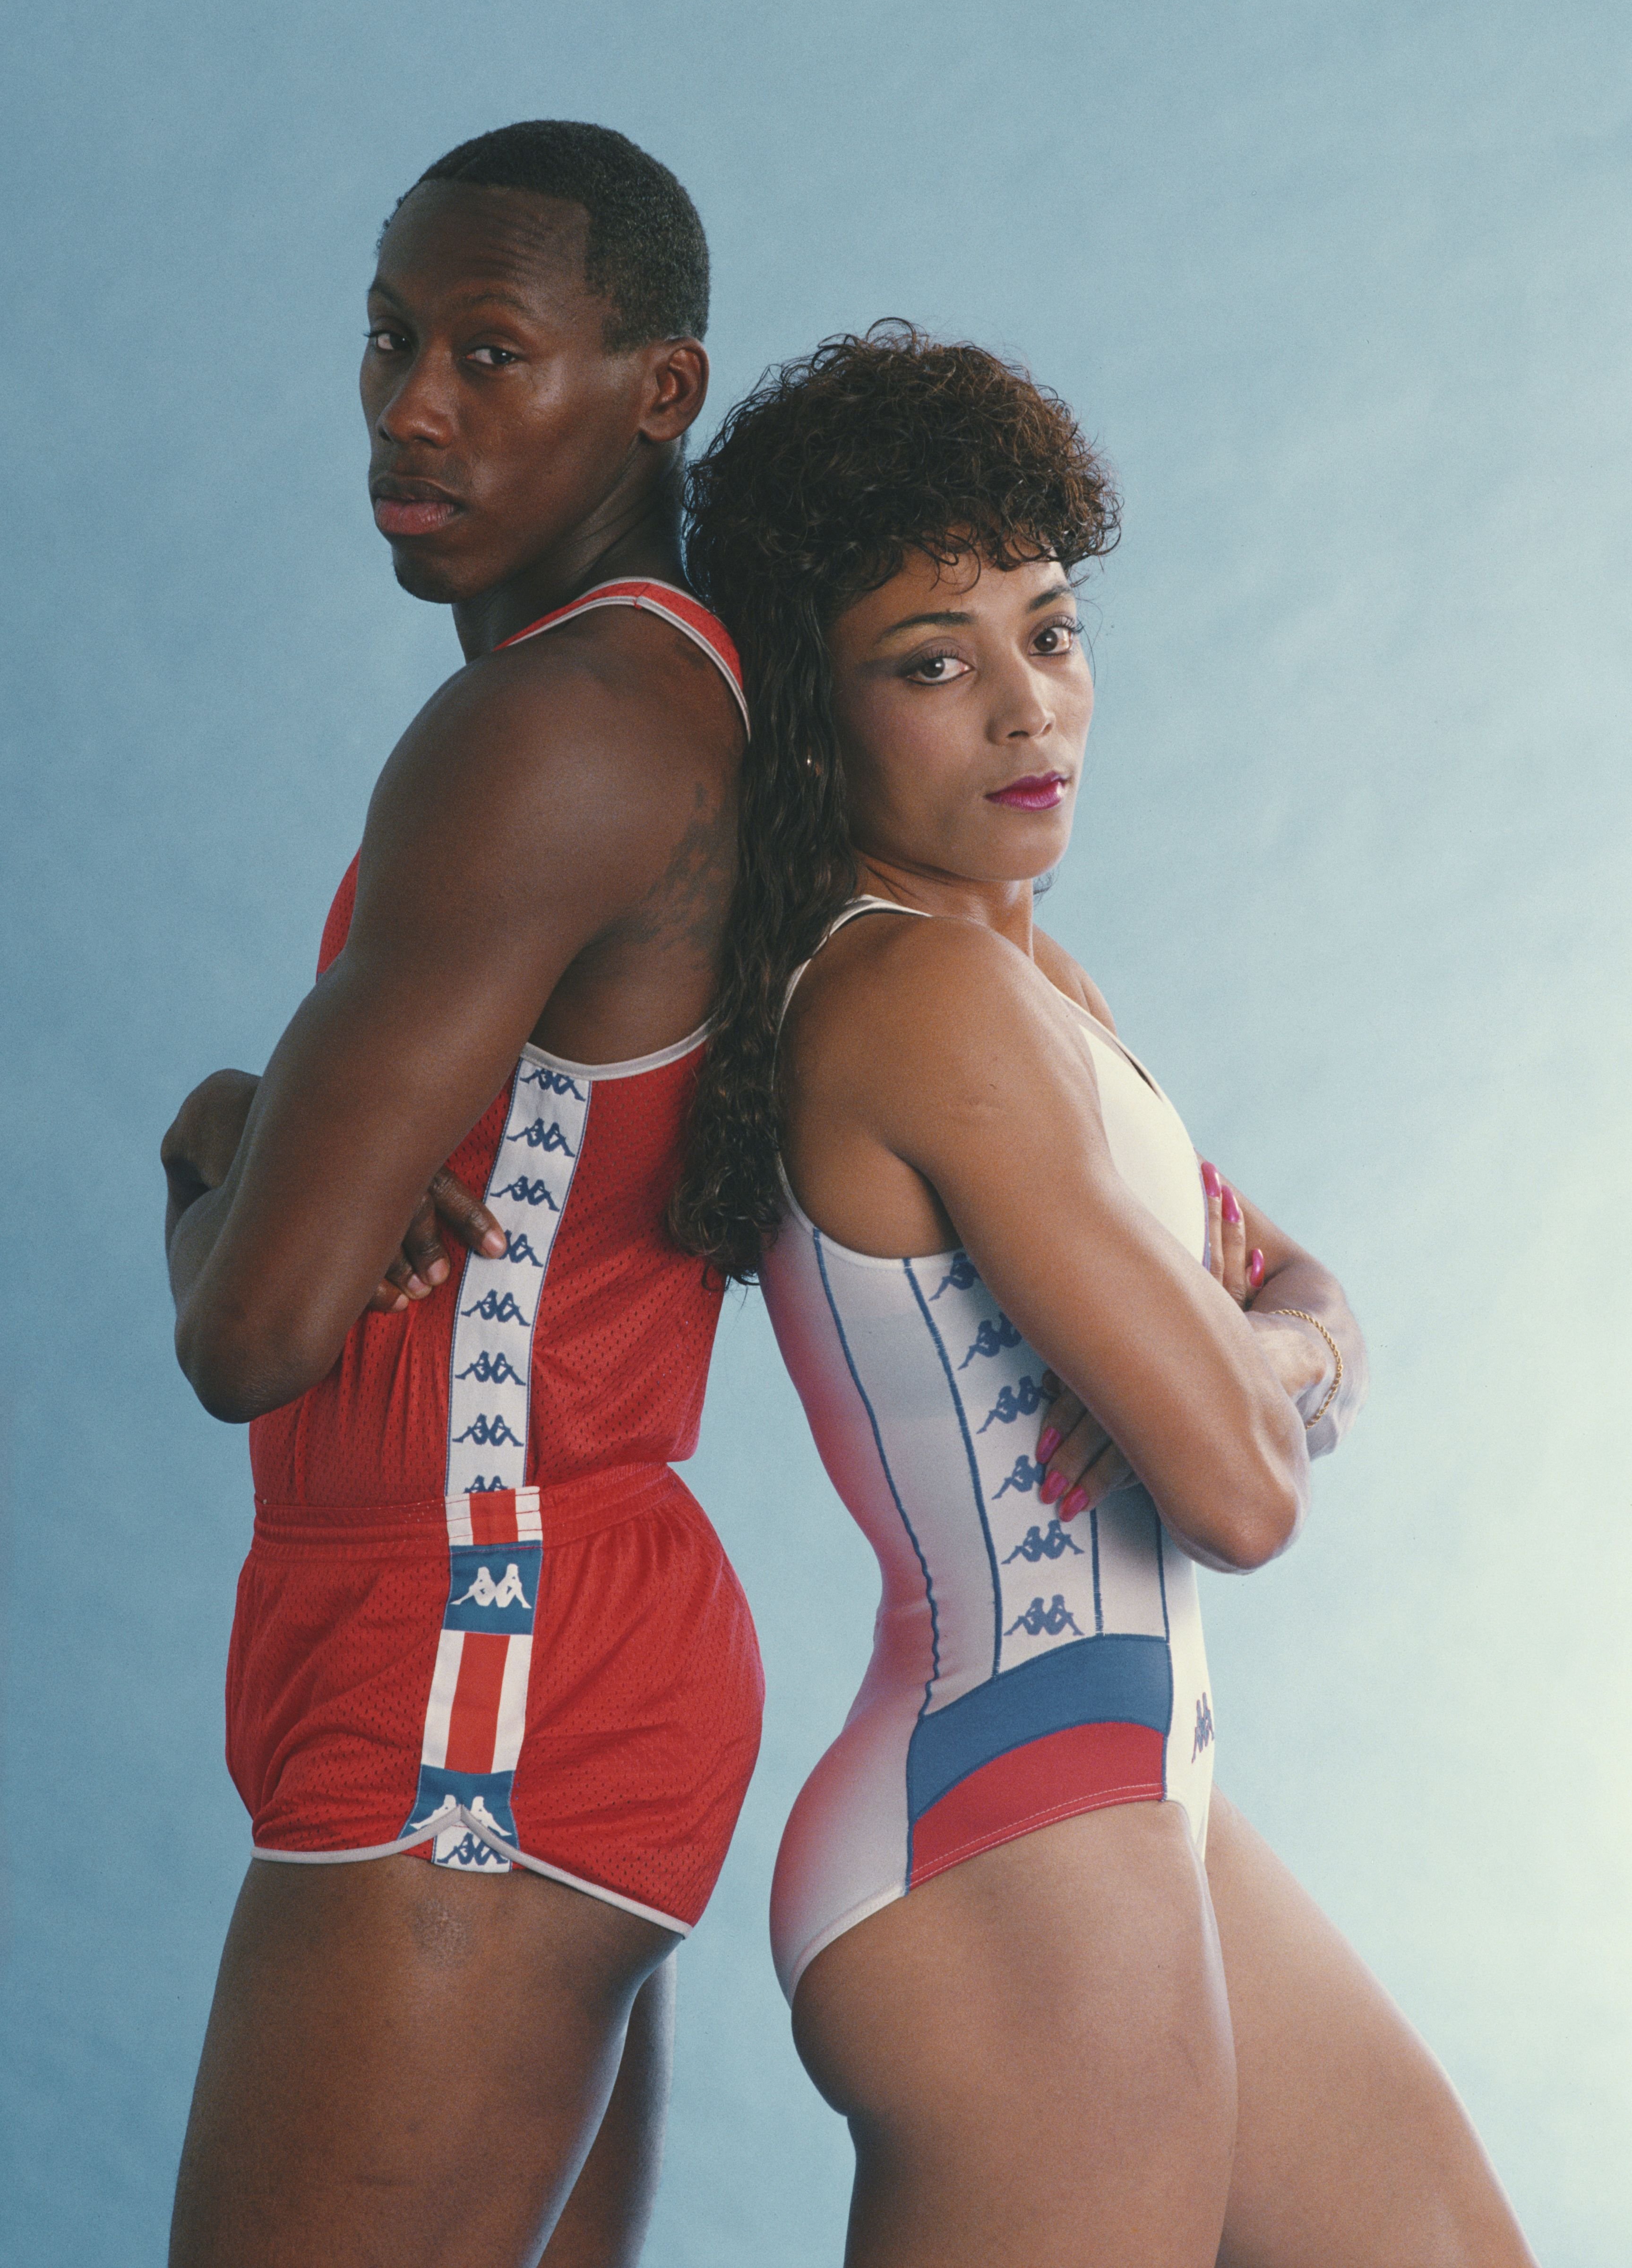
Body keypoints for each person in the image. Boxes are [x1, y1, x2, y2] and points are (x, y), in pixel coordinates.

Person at [670, 325, 1537, 2266]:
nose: (1023, 712)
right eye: (931, 663)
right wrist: (1280, 1361)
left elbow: (1281, 1291)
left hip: (1144, 1797)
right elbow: (1241, 1488)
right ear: (819, 719)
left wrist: (1266, 1345)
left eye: (1049, 633)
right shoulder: (919, 999)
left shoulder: (1037, 987)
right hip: (1007, 1847)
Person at [160, 121, 762, 2268]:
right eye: (393, 340)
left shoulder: (561, 724)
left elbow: (249, 1331)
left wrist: (215, 1142)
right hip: (502, 1647)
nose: (415, 406)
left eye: (494, 354)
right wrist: (247, 1125)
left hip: (474, 1668)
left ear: (656, 389)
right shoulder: (630, 692)